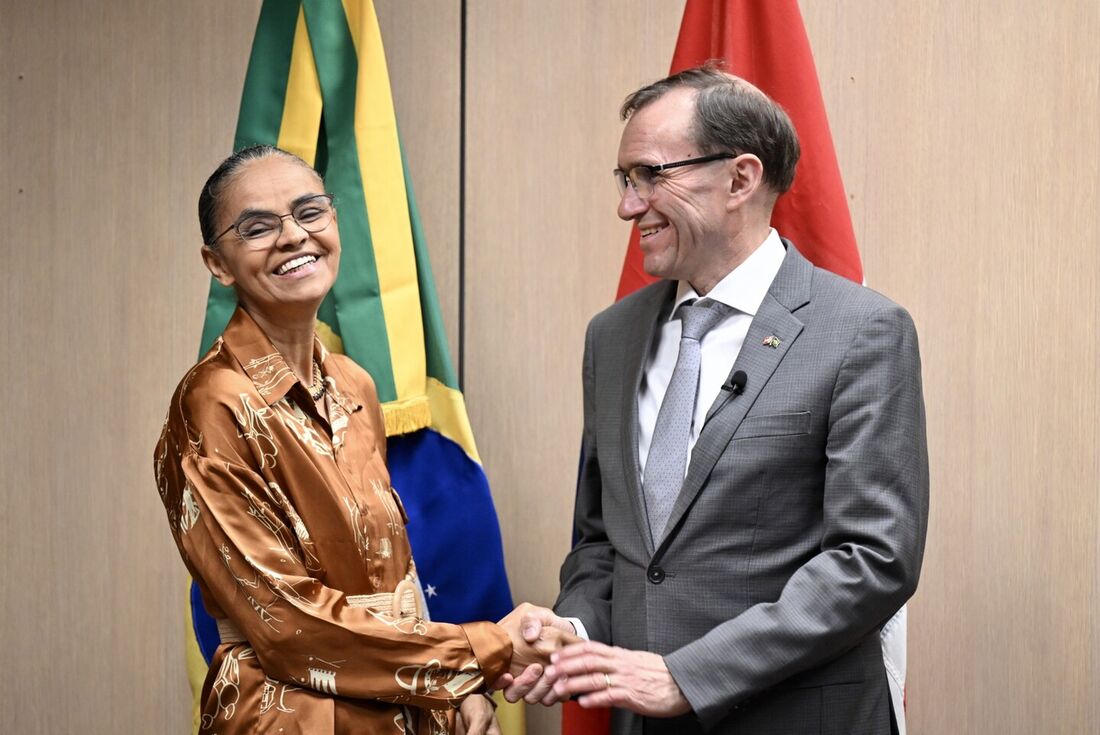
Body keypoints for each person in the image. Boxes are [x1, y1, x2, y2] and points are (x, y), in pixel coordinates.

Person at [504, 67, 929, 734]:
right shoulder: (611, 336)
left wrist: (687, 674)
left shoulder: (861, 332)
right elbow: (602, 543)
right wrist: (573, 627)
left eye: (650, 175)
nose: (628, 206)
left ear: (740, 178)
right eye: (625, 180)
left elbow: (871, 561)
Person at [154, 145, 571, 735]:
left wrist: (453, 693)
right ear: (217, 263)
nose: (294, 236)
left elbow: (391, 579)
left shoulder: (353, 384)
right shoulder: (213, 402)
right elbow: (286, 624)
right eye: (257, 227)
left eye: (310, 212)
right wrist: (480, 653)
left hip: (394, 710)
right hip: (290, 717)